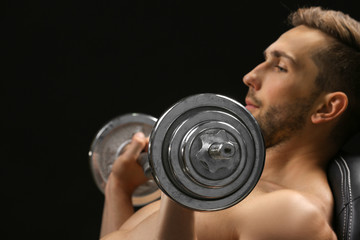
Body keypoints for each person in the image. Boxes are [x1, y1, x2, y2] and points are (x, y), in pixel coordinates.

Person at [99, 6, 360, 240]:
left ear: (327, 107)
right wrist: (119, 189)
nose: (250, 76)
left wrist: (178, 187)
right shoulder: (229, 190)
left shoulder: (293, 216)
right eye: (265, 60)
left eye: (280, 67)